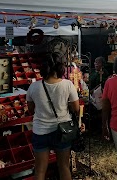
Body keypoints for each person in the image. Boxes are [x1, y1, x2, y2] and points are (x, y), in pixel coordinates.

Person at [27, 52, 80, 180]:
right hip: (62, 131)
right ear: (60, 67)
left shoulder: (33, 87)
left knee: (40, 171)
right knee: (64, 167)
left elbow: (31, 110)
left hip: (40, 131)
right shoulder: (67, 85)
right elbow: (76, 109)